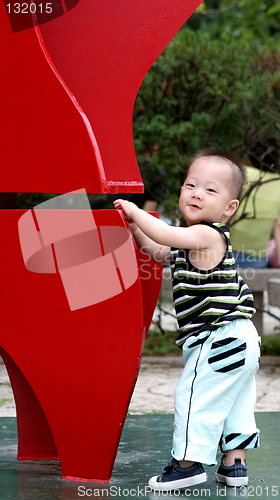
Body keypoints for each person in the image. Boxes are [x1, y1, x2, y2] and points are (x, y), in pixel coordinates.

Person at [113, 148, 260, 491]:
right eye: (190, 184)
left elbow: (165, 235)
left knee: (193, 396)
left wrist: (139, 210)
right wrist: (135, 227)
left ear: (229, 208)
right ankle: (234, 463)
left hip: (218, 338)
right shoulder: (190, 240)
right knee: (235, 400)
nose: (196, 193)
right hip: (239, 338)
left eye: (210, 189)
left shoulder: (209, 234)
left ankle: (187, 464)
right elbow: (159, 249)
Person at [230, 145, 280, 268]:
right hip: (258, 259)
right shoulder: (278, 183)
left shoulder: (243, 173)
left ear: (249, 160)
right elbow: (278, 226)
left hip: (229, 254)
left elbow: (229, 215)